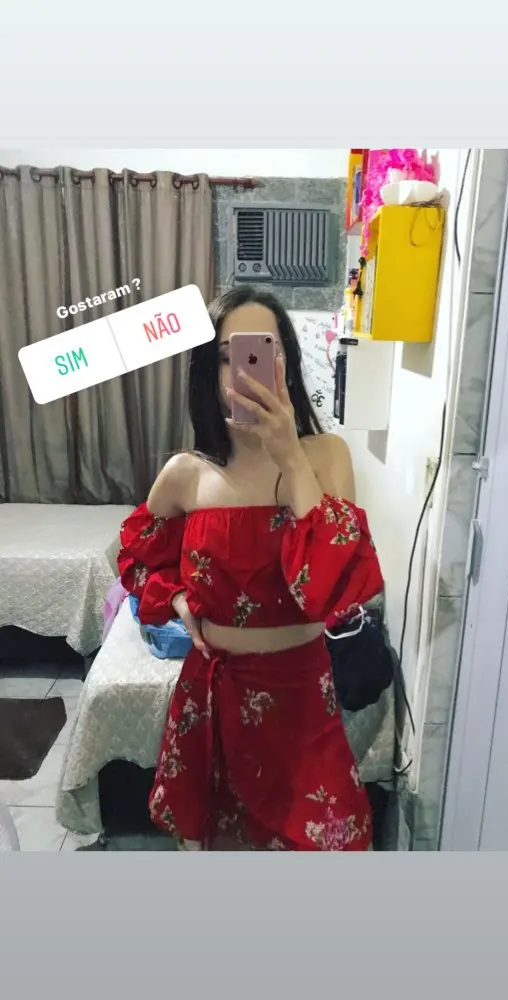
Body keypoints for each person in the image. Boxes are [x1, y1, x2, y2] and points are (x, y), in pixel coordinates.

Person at [117, 285, 384, 851]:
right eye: (227, 356)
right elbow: (136, 557)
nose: (245, 369)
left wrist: (290, 456)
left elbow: (334, 588)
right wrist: (178, 599)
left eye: (265, 349)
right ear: (209, 372)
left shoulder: (326, 456)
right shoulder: (186, 474)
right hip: (212, 699)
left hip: (302, 700)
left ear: (286, 360)